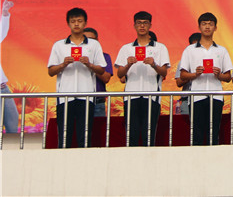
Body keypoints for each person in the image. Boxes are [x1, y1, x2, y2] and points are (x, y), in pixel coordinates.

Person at [47, 8, 107, 148]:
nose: (76, 24)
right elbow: (51, 71)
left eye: (79, 21)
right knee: (64, 135)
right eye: (73, 21)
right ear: (68, 23)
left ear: (85, 23)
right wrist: (63, 64)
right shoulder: (59, 45)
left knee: (84, 135)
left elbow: (101, 69)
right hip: (65, 96)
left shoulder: (94, 44)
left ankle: (85, 160)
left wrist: (89, 64)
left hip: (86, 96)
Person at [114, 11, 170, 146]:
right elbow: (120, 74)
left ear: (150, 25)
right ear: (134, 25)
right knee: (131, 135)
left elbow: (164, 72)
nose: (142, 26)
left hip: (152, 96)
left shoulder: (160, 48)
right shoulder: (126, 48)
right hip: (131, 96)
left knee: (148, 135)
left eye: (145, 23)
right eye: (139, 23)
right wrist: (128, 64)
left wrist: (154, 64)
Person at [179, 12, 233, 145]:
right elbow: (182, 75)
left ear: (215, 27)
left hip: (216, 97)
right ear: (199, 27)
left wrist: (219, 75)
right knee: (197, 134)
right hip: (196, 96)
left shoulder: (222, 50)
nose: (207, 27)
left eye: (210, 24)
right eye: (204, 24)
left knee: (214, 133)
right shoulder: (189, 50)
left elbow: (228, 77)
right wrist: (195, 74)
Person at [83, 27, 113, 118]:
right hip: (79, 102)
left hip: (98, 103)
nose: (89, 42)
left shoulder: (104, 56)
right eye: (85, 40)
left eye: (92, 40)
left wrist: (90, 65)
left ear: (97, 41)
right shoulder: (76, 57)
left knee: (98, 127)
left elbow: (106, 78)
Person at [1, 0, 19, 133]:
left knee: (12, 124)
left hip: (3, 88)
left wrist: (5, 13)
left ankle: (14, 147)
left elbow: (2, 31)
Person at [175, 32, 201, 115]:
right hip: (187, 99)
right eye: (194, 46)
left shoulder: (211, 60)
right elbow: (178, 83)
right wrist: (193, 75)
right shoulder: (183, 61)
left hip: (206, 98)